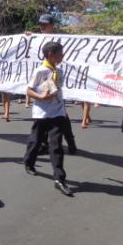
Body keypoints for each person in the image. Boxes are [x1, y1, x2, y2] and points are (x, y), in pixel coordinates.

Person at [23, 41, 73, 196]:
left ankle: (59, 179)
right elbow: (29, 90)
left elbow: (58, 91)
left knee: (56, 145)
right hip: (42, 113)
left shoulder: (60, 71)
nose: (63, 56)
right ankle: (29, 162)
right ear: (51, 54)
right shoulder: (40, 71)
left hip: (57, 113)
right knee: (35, 141)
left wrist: (63, 111)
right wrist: (41, 96)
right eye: (60, 53)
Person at [34, 14, 77, 154]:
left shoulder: (60, 39)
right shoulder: (35, 39)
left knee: (61, 113)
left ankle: (70, 141)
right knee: (45, 114)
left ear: (52, 25)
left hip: (55, 76)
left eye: (45, 24)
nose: (42, 26)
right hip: (42, 78)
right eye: (41, 24)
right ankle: (44, 144)